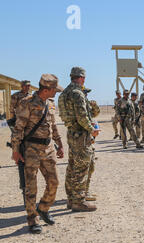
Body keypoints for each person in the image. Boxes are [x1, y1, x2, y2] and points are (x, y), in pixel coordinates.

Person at [11, 74, 65, 233]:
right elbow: (18, 128)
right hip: (31, 149)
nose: (56, 92)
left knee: (54, 182)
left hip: (49, 149)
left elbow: (53, 125)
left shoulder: (50, 103)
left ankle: (43, 207)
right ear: (47, 89)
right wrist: (15, 150)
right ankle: (32, 219)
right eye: (54, 89)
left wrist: (60, 144)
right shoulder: (26, 103)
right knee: (30, 186)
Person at [59, 67, 99, 212]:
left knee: (72, 166)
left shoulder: (65, 93)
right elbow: (82, 117)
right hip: (81, 135)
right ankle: (79, 201)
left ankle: (71, 199)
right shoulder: (77, 93)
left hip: (72, 133)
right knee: (81, 167)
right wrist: (92, 129)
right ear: (81, 78)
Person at [82, 87, 100, 202]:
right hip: (82, 141)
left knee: (91, 167)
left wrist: (95, 105)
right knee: (84, 168)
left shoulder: (87, 105)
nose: (86, 96)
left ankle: (85, 191)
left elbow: (95, 115)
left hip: (89, 140)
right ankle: (80, 194)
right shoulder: (79, 107)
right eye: (84, 93)